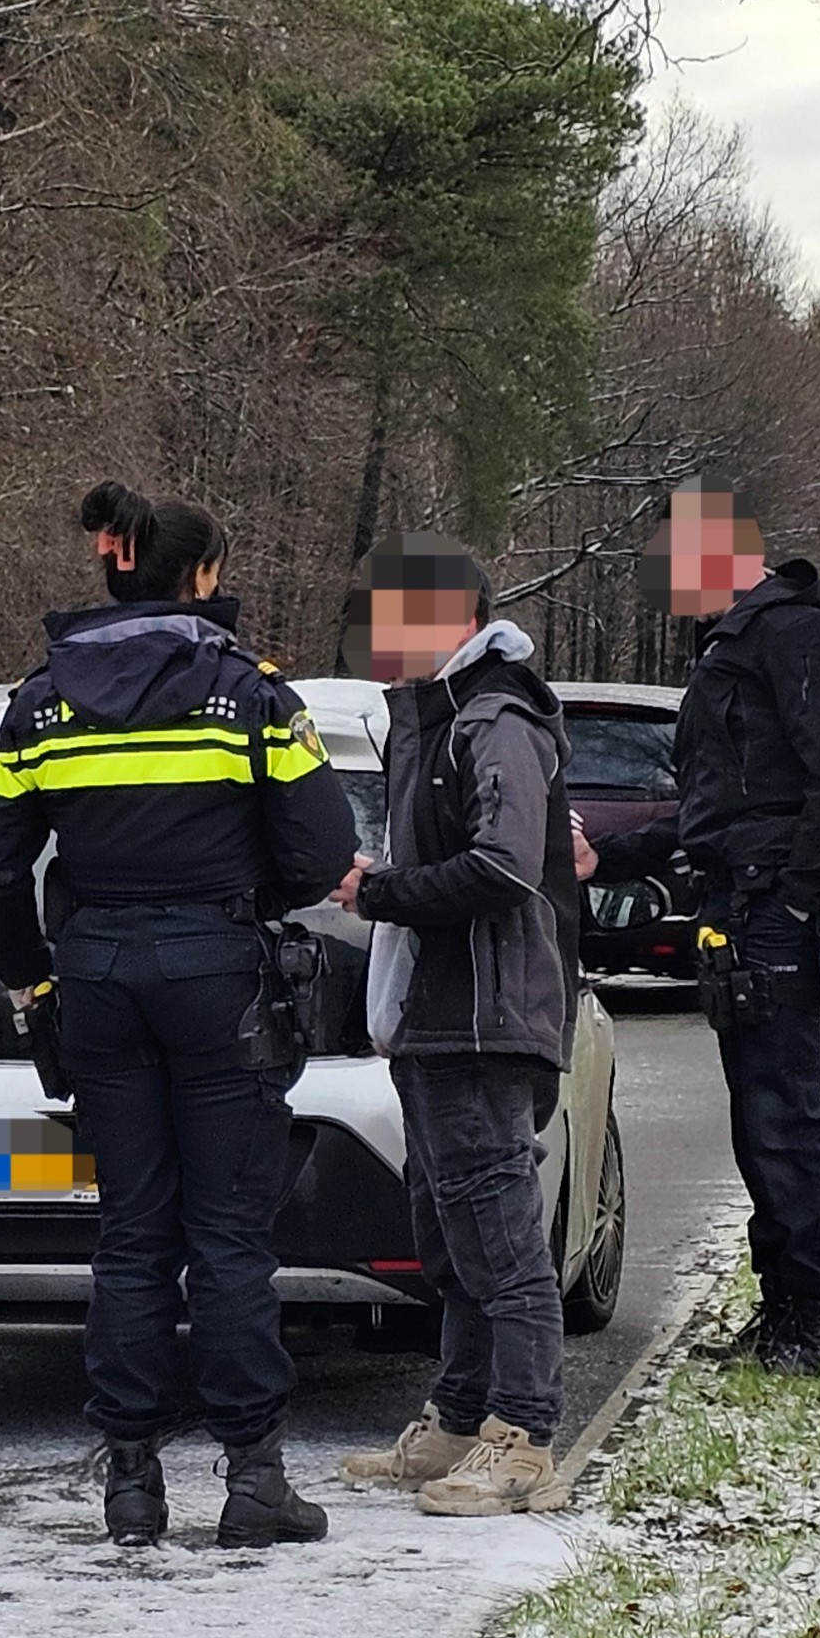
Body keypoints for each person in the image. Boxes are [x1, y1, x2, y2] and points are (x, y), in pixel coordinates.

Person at [0, 479, 359, 1548]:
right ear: (203, 576)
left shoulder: (40, 704)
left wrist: (34, 978)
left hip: (94, 983)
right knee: (227, 1233)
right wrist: (242, 903)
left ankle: (130, 1483)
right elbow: (321, 850)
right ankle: (253, 1478)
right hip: (218, 979)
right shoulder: (252, 695)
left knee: (131, 1233)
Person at [588, 480, 820, 1378]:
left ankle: (819, 1325)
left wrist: (804, 900)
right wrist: (615, 855)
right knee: (759, 1118)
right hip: (738, 904)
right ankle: (784, 1311)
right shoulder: (736, 640)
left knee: (784, 1117)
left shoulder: (798, 629)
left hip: (773, 913)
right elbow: (719, 808)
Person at [325, 535, 582, 1516]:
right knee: (448, 1232)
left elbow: (507, 864)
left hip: (486, 1015)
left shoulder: (495, 713)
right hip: (431, 1016)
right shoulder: (427, 718)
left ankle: (522, 1438)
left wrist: (380, 891)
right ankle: (461, 1416)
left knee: (501, 1234)